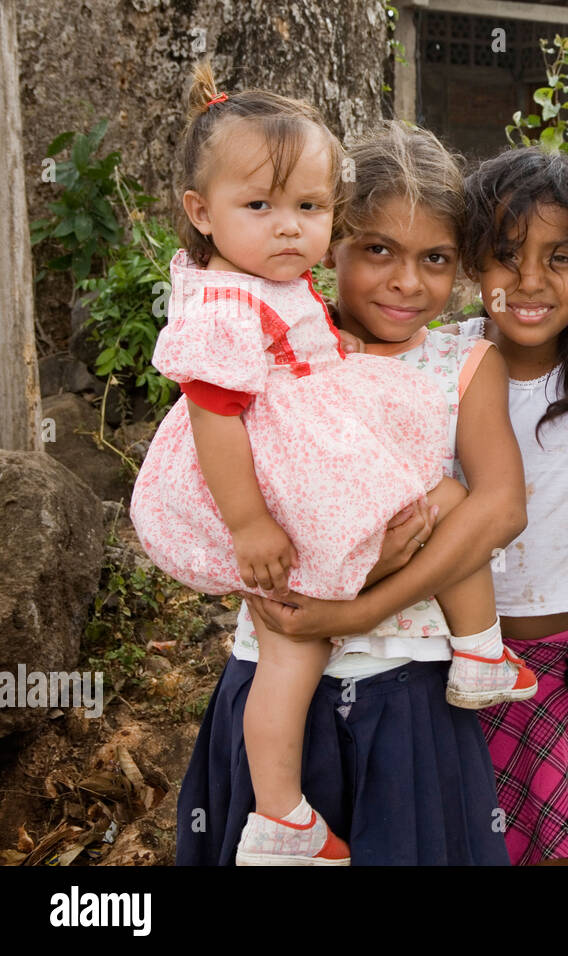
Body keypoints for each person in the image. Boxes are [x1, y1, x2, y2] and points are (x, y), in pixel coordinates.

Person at [174, 118, 528, 865]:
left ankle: (480, 653)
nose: (406, 281)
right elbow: (220, 495)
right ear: (334, 241)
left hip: (410, 688)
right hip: (276, 680)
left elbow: (497, 506)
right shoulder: (272, 350)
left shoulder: (463, 364)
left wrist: (357, 606)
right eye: (377, 251)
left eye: (434, 258)